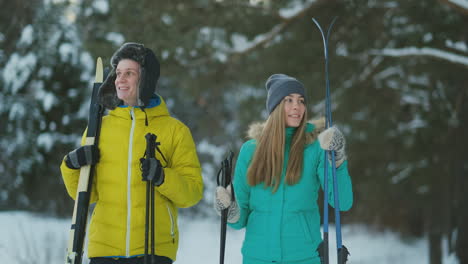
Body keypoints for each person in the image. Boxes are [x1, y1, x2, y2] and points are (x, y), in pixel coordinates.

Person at [61, 42, 203, 264]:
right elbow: (87, 195)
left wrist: (162, 177)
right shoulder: (97, 128)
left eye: (129, 73)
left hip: (153, 249)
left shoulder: (175, 131)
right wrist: (70, 166)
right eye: (118, 73)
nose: (120, 79)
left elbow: (192, 193)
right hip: (104, 250)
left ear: (145, 79)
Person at [214, 74, 353, 264]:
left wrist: (337, 160)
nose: (297, 106)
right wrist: (230, 211)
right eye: (289, 100)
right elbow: (240, 219)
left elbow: (342, 202)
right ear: (275, 107)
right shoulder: (251, 151)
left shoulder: (315, 148)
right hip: (257, 258)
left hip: (304, 257)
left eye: (301, 100)